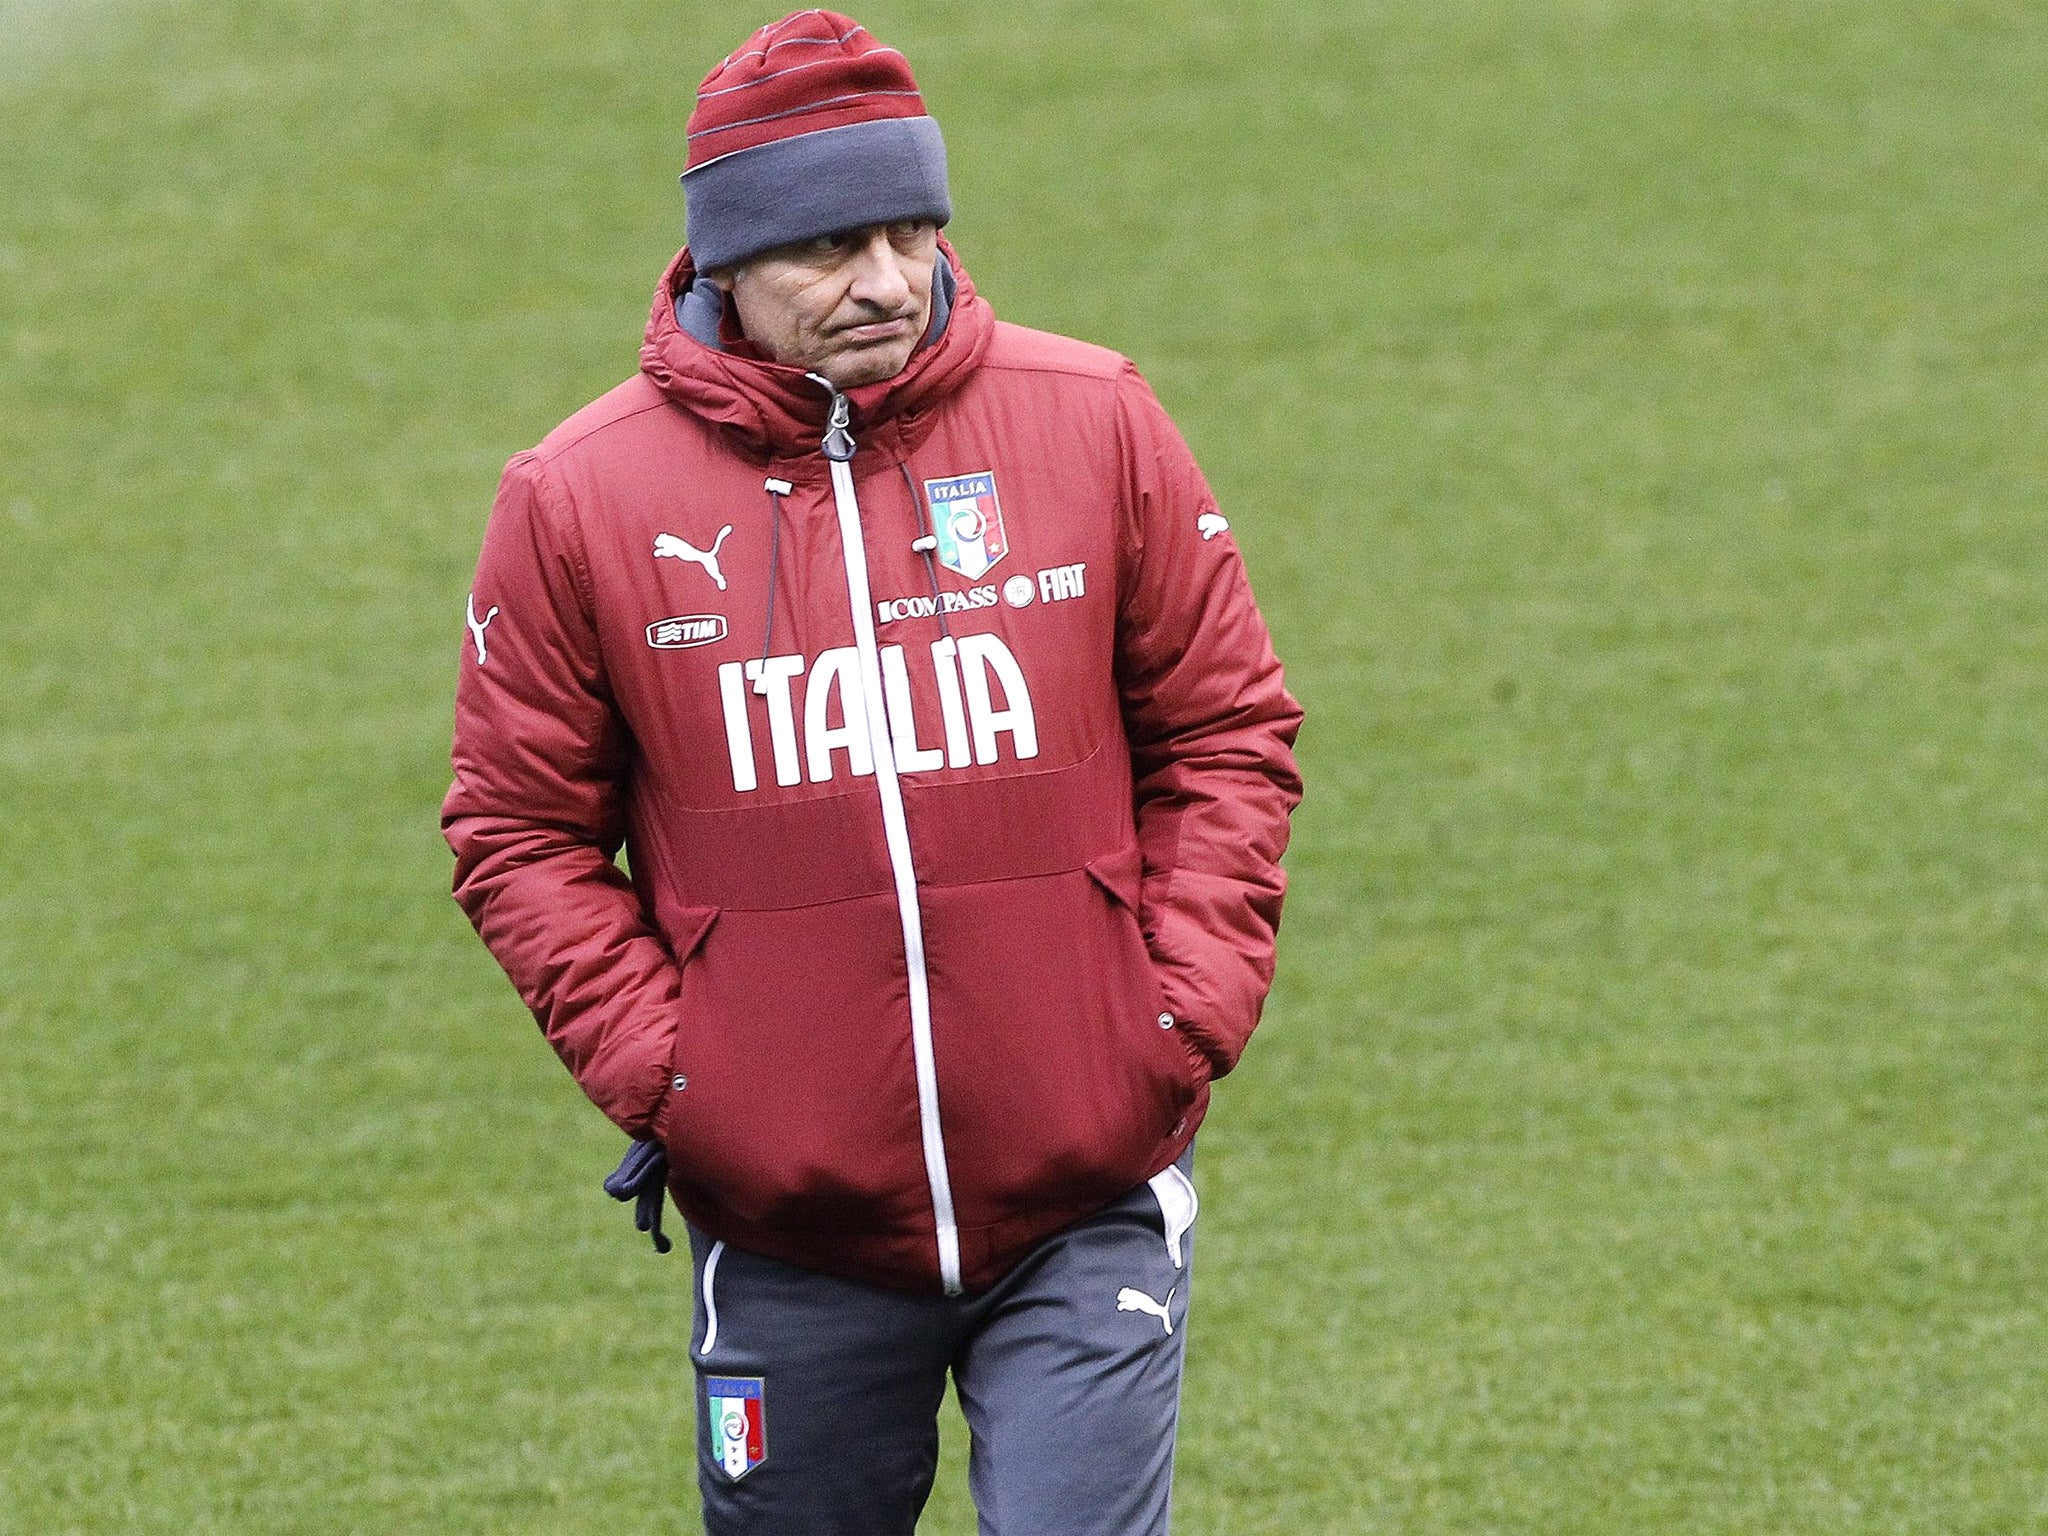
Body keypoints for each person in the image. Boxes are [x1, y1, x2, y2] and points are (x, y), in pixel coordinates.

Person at [442, 11, 1302, 1532]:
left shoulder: (1093, 419)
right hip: (791, 1233)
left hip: (1084, 1187)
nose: (887, 282)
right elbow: (519, 832)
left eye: (912, 230)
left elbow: (1224, 729)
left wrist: (1176, 1007)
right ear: (725, 261)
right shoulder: (578, 500)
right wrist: (681, 1076)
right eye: (832, 245)